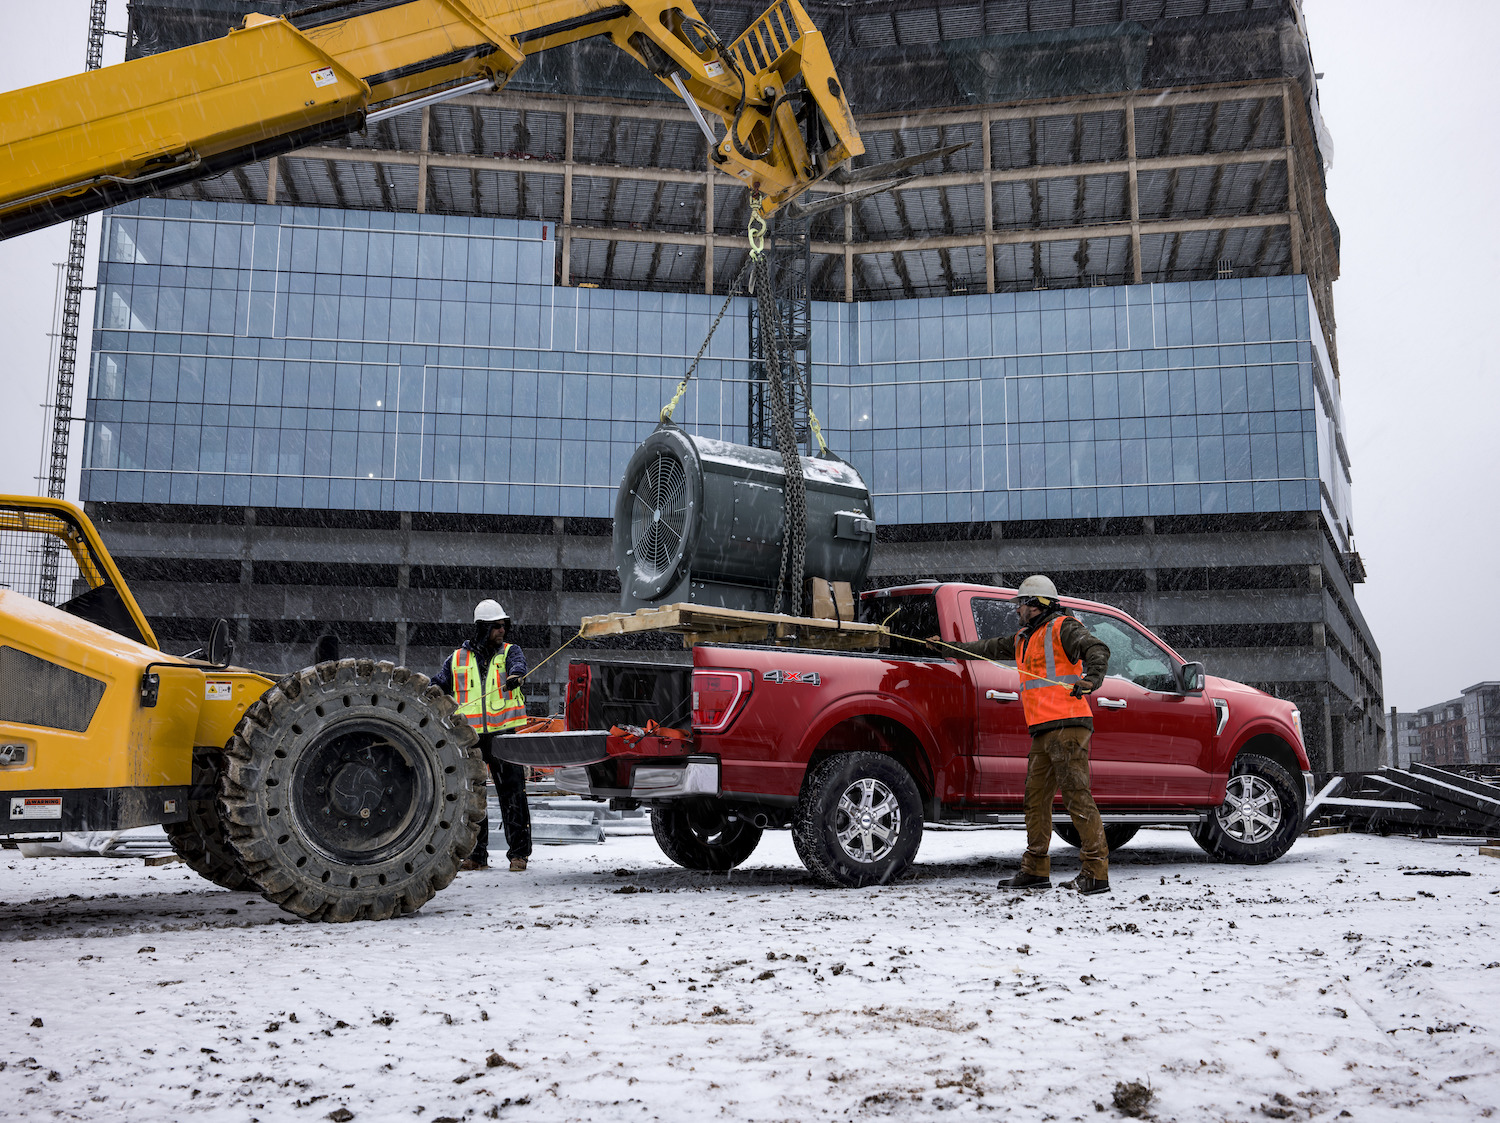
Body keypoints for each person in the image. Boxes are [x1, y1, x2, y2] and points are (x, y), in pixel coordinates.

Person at [932, 575, 1113, 895]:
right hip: (1044, 730)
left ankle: (1095, 873)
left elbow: (1096, 648)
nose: (1017, 610)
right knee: (1036, 801)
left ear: (1038, 604)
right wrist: (947, 648)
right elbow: (983, 648)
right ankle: (1035, 870)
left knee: (1076, 797)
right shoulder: (1022, 638)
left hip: (1069, 725)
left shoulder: (1063, 627)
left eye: (1022, 605)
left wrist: (1091, 678)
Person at [434, 599, 533, 872]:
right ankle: (477, 855)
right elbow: (437, 686)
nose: (503, 630)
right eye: (496, 626)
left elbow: (518, 665)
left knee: (513, 795)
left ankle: (519, 854)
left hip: (504, 736)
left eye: (504, 625)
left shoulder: (510, 652)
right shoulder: (456, 659)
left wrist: (516, 676)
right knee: (473, 798)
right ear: (482, 628)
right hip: (470, 739)